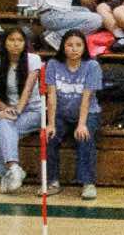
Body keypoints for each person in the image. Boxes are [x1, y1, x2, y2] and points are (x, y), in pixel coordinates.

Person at [44, 29, 104, 201]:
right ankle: (52, 181)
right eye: (70, 45)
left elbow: (87, 98)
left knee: (84, 135)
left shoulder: (92, 66)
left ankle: (88, 183)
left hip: (88, 113)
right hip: (61, 113)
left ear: (84, 47)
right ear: (63, 47)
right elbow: (51, 96)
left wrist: (82, 124)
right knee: (49, 136)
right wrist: (51, 124)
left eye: (78, 45)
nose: (74, 49)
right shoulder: (53, 64)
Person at [0, 24, 43, 194]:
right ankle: (14, 168)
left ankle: (7, 173)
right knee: (3, 124)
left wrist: (16, 111)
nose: (16, 43)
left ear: (25, 43)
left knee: (3, 128)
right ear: (4, 43)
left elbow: (27, 90)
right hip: (11, 111)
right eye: (11, 40)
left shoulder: (33, 60)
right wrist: (6, 110)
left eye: (20, 40)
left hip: (34, 111)